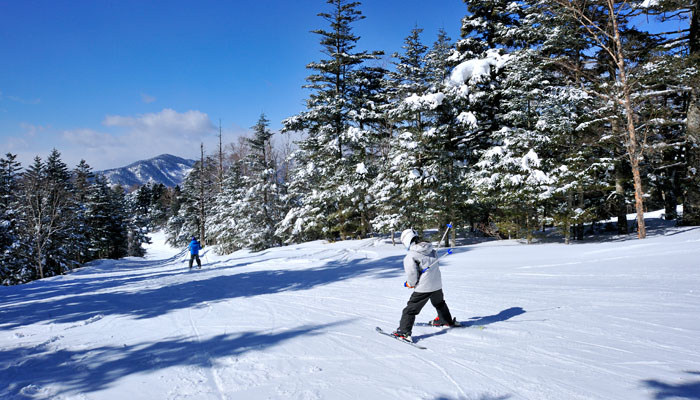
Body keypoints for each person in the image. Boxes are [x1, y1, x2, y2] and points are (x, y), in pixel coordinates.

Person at [392, 228, 458, 342]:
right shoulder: (431, 249)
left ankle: (403, 332)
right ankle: (445, 320)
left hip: (424, 287)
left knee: (410, 310)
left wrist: (410, 283)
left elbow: (412, 274)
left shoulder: (411, 256)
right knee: (439, 303)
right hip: (436, 284)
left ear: (406, 241)